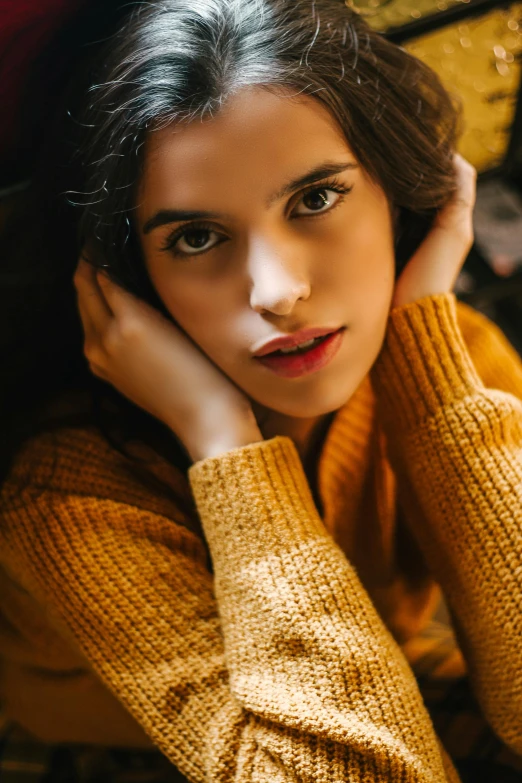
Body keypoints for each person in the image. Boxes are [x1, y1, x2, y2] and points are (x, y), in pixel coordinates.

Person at [0, 0, 521, 780]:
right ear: (127, 282)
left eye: (316, 198)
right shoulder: (69, 488)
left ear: (397, 193)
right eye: (197, 237)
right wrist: (223, 443)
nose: (277, 292)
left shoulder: (456, 362)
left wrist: (432, 375)